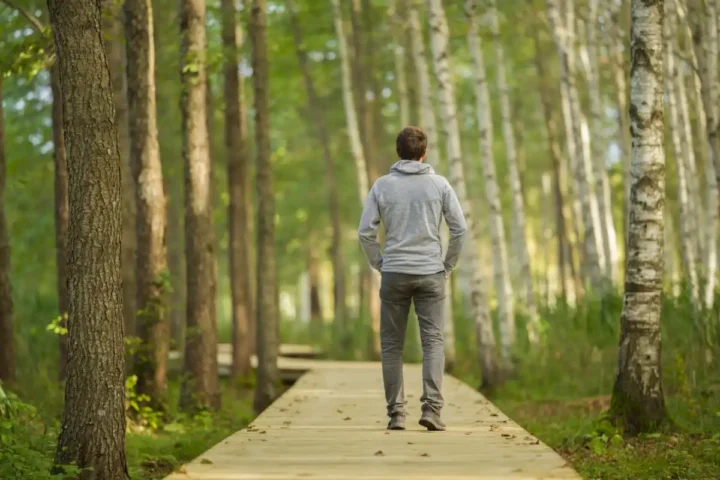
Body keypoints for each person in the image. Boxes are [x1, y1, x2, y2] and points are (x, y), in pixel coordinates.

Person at [357, 126, 468, 431]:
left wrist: (380, 262)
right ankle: (432, 410)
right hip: (431, 272)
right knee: (432, 341)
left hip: (394, 272)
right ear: (424, 153)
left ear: (398, 153)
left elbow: (365, 231)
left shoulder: (382, 186)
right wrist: (447, 266)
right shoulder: (439, 185)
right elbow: (460, 230)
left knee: (392, 345)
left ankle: (396, 414)